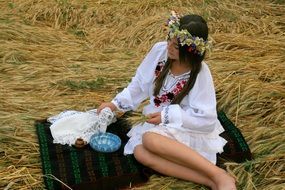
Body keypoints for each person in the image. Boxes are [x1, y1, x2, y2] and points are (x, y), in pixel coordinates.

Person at [97, 12, 236, 190]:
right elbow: (139, 84)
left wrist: (167, 116)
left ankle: (219, 174)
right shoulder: (160, 52)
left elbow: (206, 120)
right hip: (157, 121)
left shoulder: (199, 72)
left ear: (190, 50)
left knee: (150, 141)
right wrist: (115, 104)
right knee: (140, 153)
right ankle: (209, 181)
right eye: (170, 37)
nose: (169, 46)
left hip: (186, 125)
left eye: (176, 45)